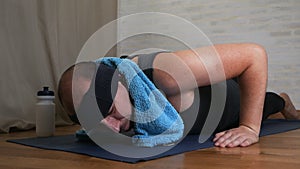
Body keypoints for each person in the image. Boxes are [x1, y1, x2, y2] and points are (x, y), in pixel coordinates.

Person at [58, 43, 300, 148]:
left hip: (231, 102)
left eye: (109, 112)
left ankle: (284, 100)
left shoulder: (165, 73)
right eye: (94, 124)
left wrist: (248, 127)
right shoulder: (112, 116)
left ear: (119, 82)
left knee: (269, 105)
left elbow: (254, 56)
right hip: (206, 117)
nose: (111, 128)